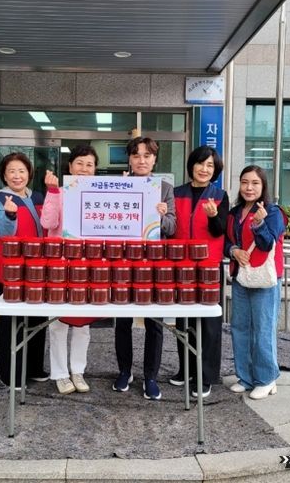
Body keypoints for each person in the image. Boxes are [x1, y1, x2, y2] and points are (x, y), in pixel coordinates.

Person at [113, 136, 177, 400]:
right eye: (136, 155)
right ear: (129, 159)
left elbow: (172, 228)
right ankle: (124, 371)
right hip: (123, 262)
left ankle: (150, 377)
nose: (141, 160)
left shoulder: (164, 188)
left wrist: (162, 217)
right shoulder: (117, 185)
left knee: (154, 322)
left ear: (154, 159)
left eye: (147, 155)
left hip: (153, 264)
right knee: (122, 320)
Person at [169, 145, 229, 399]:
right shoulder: (176, 193)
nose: (204, 169)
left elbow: (220, 230)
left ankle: (205, 376)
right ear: (191, 165)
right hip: (181, 265)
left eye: (210, 166)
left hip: (208, 267)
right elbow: (169, 227)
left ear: (215, 170)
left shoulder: (220, 195)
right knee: (183, 321)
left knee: (209, 324)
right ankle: (186, 370)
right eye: (200, 163)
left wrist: (214, 216)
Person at [225, 165, 286, 400]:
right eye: (244, 182)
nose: (249, 187)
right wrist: (234, 251)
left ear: (263, 186)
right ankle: (245, 377)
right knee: (240, 327)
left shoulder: (272, 212)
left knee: (263, 328)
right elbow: (225, 241)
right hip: (242, 277)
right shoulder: (234, 212)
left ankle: (266, 379)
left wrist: (259, 224)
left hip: (265, 279)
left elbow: (268, 243)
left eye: (255, 183)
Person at [41, 145, 99, 395]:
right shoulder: (59, 192)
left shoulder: (101, 195)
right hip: (60, 267)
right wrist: (53, 193)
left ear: (95, 169)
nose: (84, 169)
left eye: (89, 165)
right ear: (70, 166)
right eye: (79, 164)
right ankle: (60, 374)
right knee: (58, 323)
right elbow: (47, 222)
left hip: (88, 267)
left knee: (82, 324)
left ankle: (78, 371)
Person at [0, 152, 48, 388]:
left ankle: (34, 368)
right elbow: (4, 232)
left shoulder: (38, 197)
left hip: (37, 270)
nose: (17, 176)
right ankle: (10, 375)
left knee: (37, 320)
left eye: (21, 171)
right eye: (11, 171)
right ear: (4, 175)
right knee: (12, 324)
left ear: (29, 174)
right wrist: (10, 213)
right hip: (11, 272)